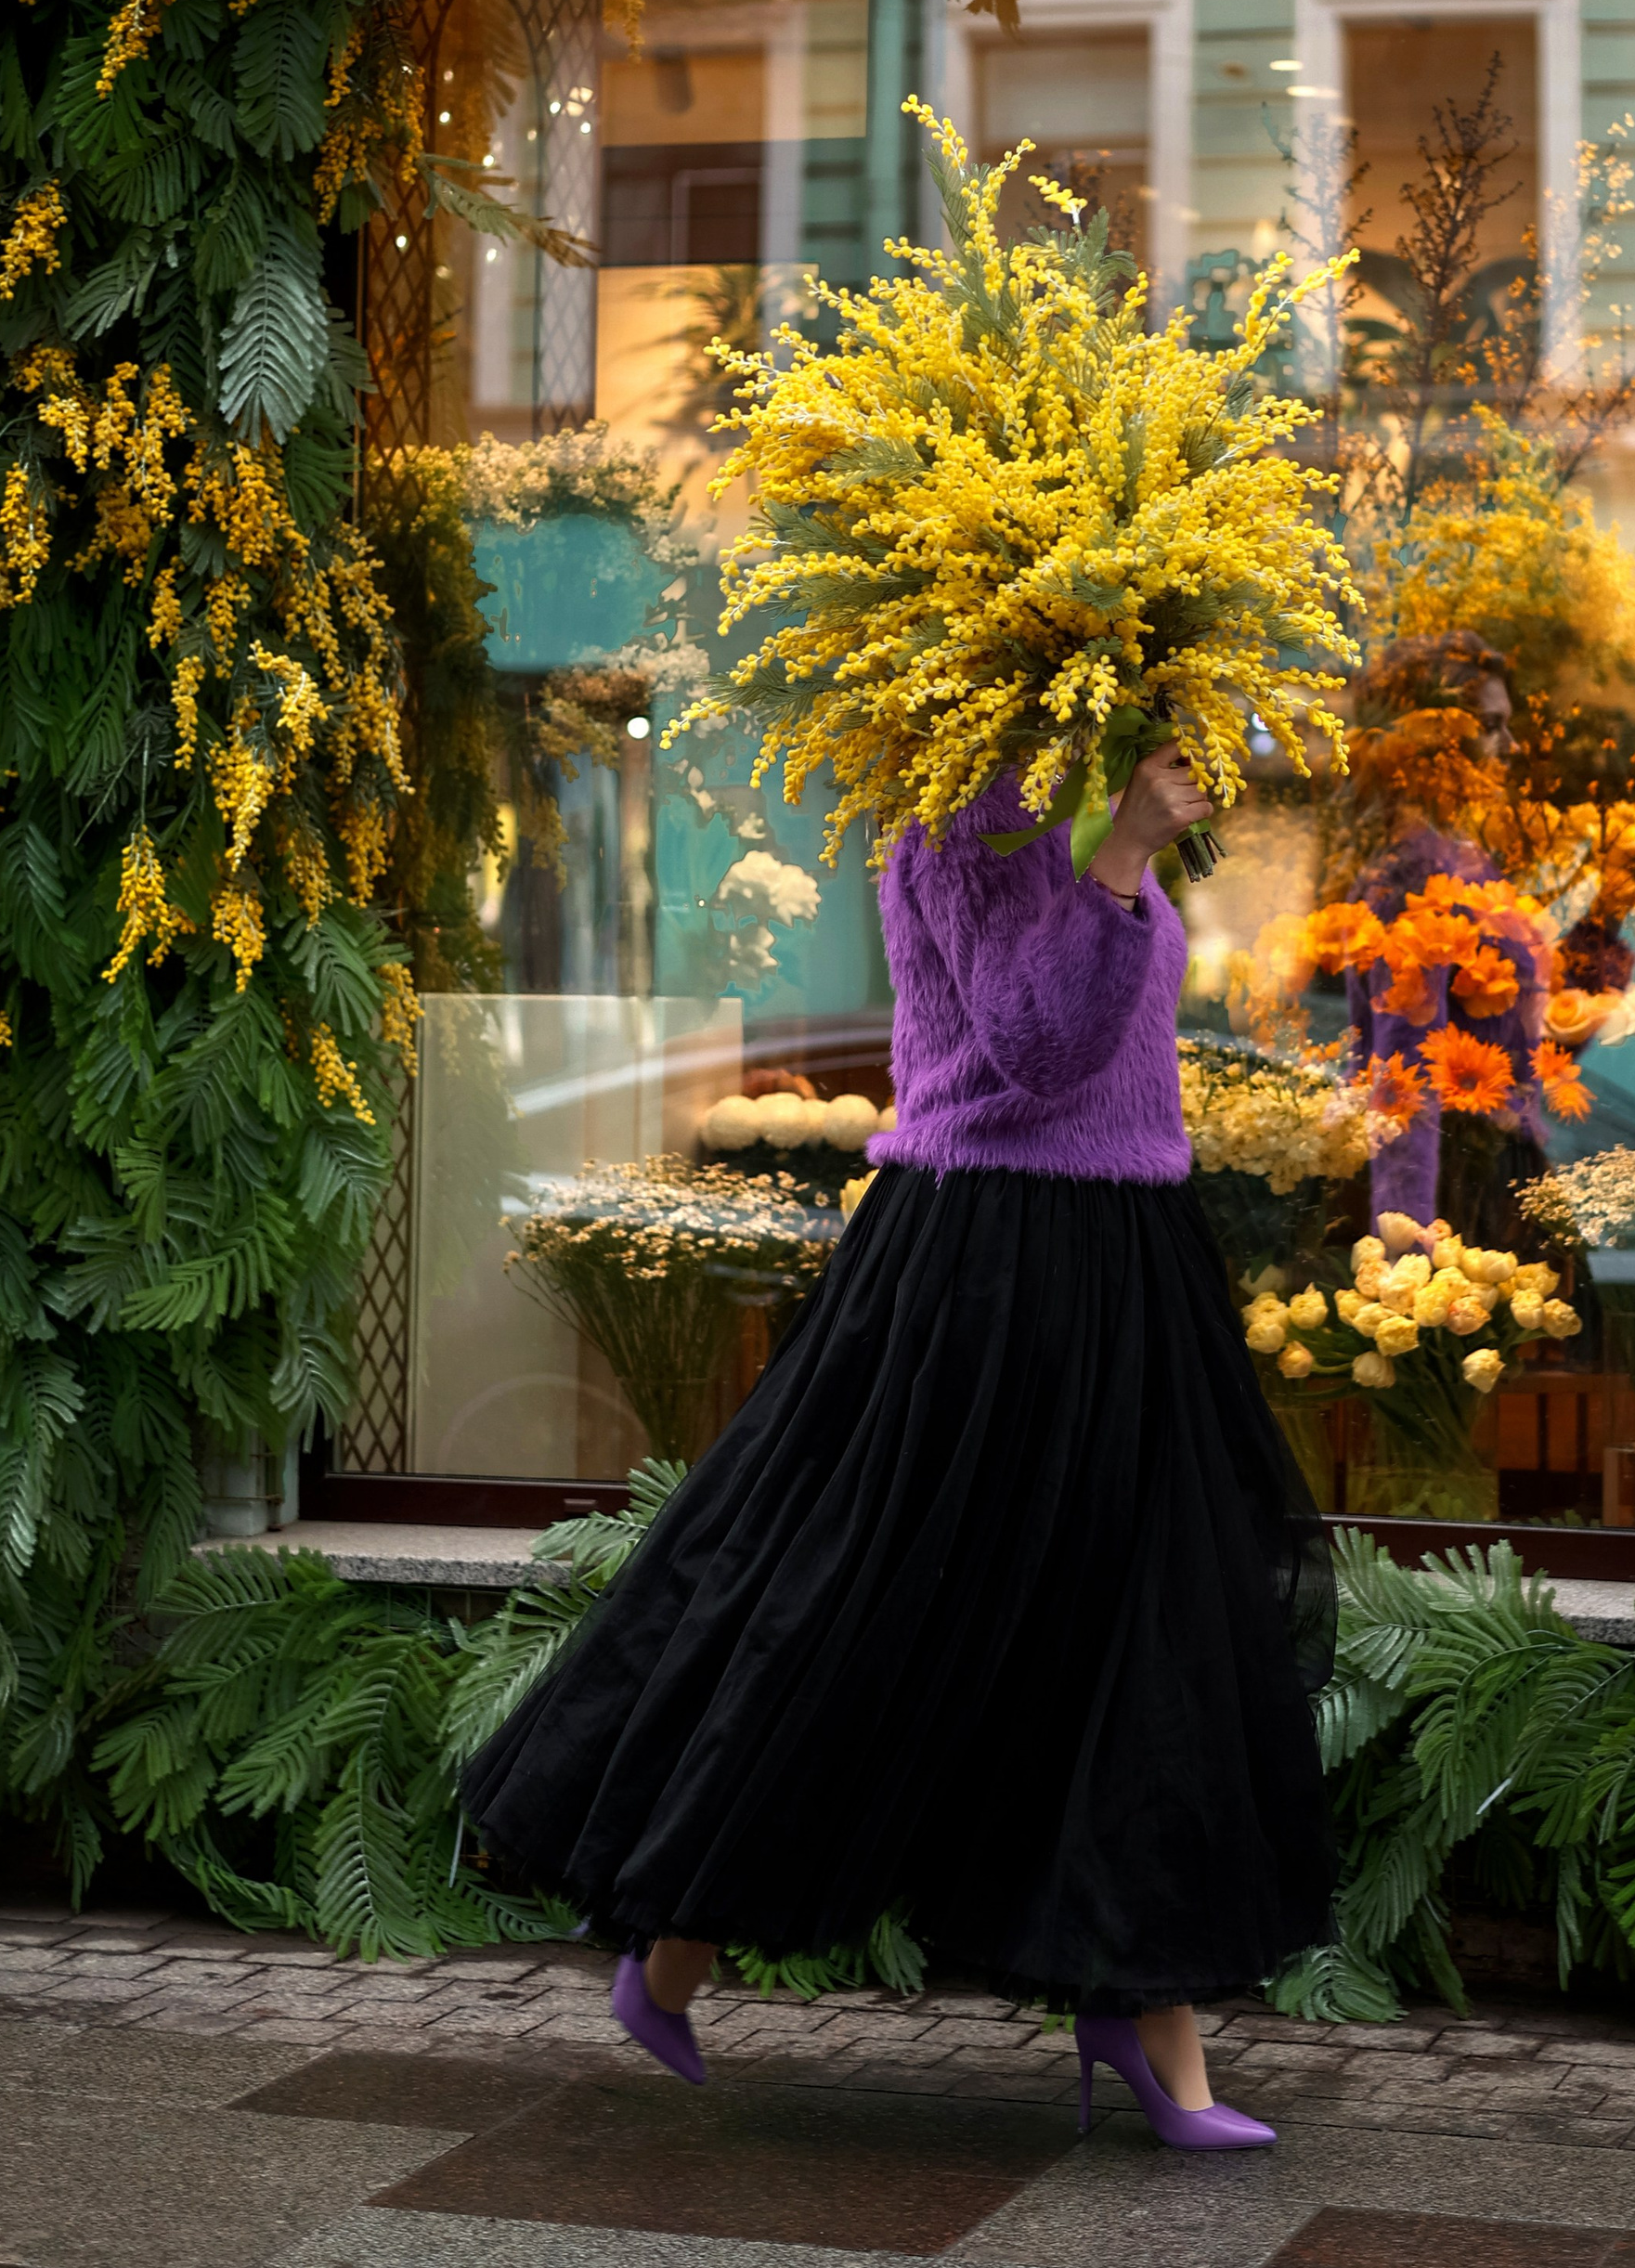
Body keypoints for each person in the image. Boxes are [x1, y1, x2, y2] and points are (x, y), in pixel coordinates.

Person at [461, 741, 1338, 2151]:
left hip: (1125, 1252)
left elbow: (1116, 1048)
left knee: (1140, 1619)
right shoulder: (961, 818)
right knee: (856, 1605)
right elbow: (1035, 1041)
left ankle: (1146, 2019)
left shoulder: (1069, 802)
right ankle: (672, 1950)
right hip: (985, 1258)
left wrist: (1122, 840)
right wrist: (1122, 853)